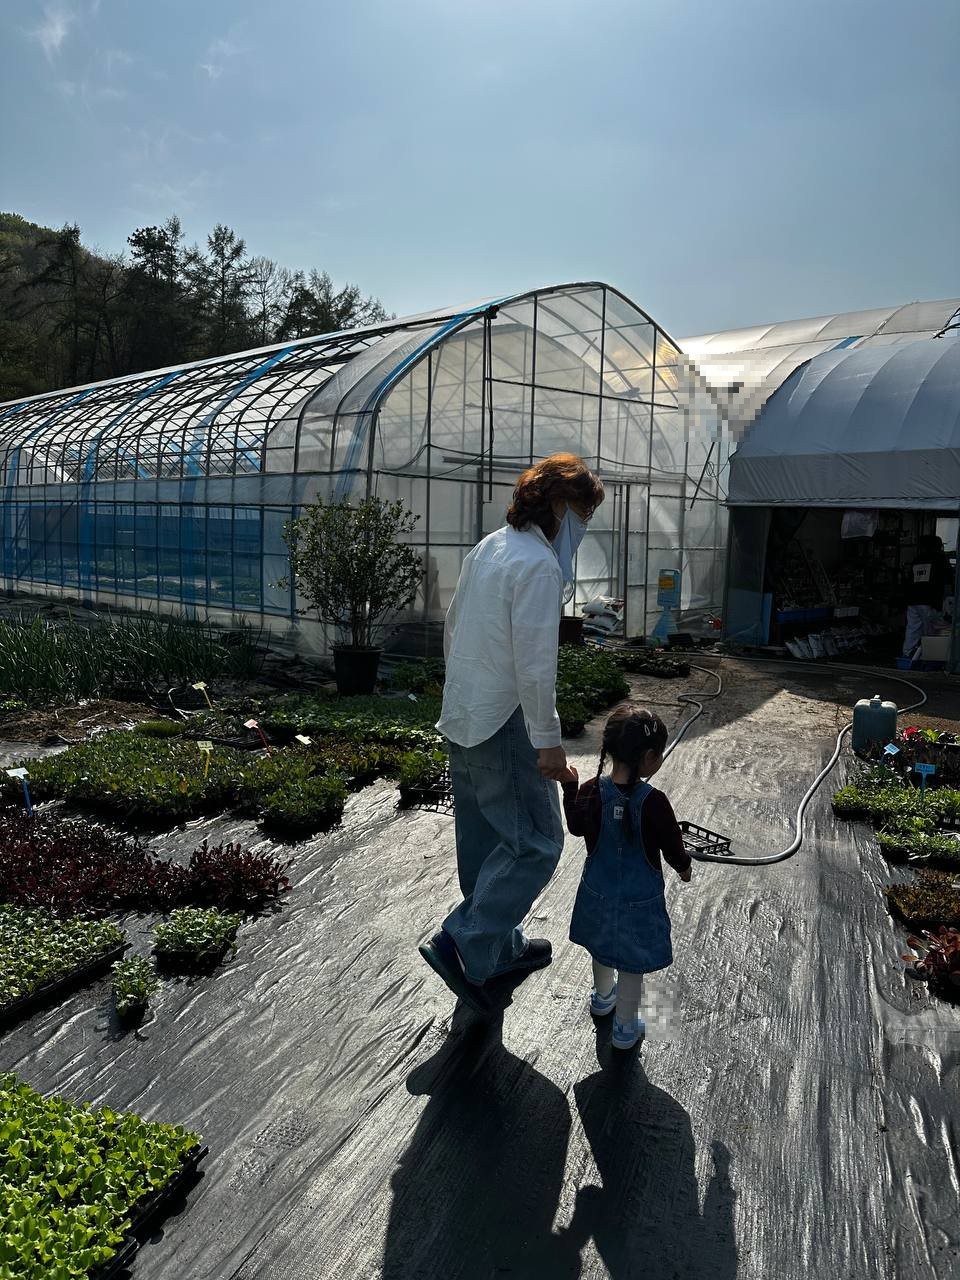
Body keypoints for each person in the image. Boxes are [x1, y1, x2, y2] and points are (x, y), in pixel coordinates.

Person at [419, 453, 605, 1015]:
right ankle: (464, 939)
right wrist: (548, 742)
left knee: (484, 839)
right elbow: (535, 664)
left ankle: (497, 948)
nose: (583, 526)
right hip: (506, 723)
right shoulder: (538, 565)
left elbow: (454, 627)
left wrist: (461, 693)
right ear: (555, 505)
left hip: (467, 713)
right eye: (581, 513)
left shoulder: (491, 546)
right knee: (536, 842)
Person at [559, 704, 692, 1049]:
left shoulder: (590, 789)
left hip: (597, 892)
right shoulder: (655, 801)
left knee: (602, 949)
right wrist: (683, 867)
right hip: (639, 900)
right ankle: (625, 1028)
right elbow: (671, 845)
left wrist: (569, 788)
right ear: (649, 757)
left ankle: (603, 998)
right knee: (633, 965)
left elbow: (575, 827)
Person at [903, 534, 953, 658]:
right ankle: (931, 658)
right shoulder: (940, 559)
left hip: (913, 600)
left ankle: (908, 655)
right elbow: (949, 580)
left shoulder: (917, 559)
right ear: (937, 546)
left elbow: (910, 580)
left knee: (912, 630)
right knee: (932, 631)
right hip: (930, 601)